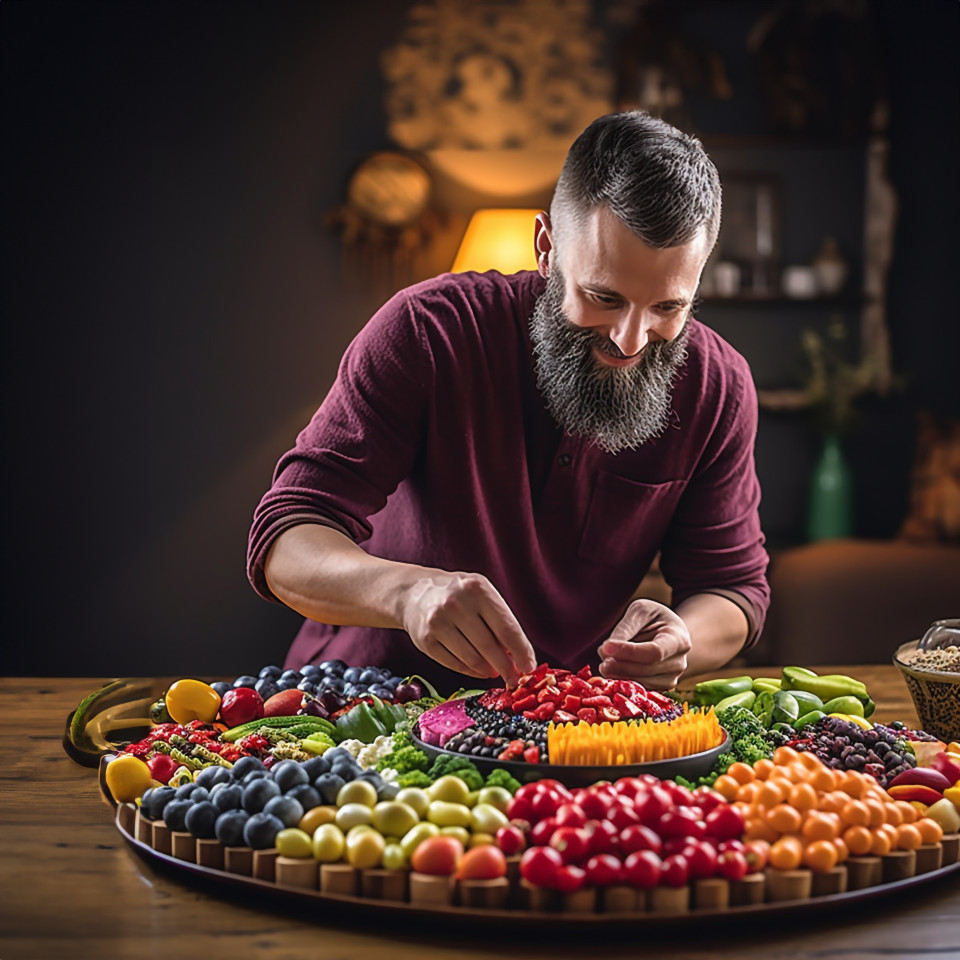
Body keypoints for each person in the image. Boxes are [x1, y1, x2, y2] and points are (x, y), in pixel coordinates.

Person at [247, 110, 769, 691]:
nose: (629, 339)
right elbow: (286, 539)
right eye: (603, 296)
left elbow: (734, 590)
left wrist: (682, 639)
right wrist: (407, 592)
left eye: (668, 308)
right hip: (357, 698)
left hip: (556, 720)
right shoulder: (426, 331)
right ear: (546, 248)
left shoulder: (719, 386)